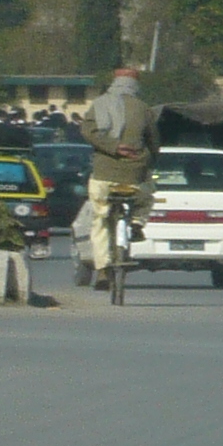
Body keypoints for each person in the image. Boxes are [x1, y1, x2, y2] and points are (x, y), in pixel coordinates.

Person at [76, 64, 159, 285]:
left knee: (100, 220)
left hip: (103, 174)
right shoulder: (143, 108)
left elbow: (87, 132)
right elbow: (153, 142)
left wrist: (113, 147)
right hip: (135, 174)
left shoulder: (99, 105)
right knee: (147, 194)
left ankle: (102, 269)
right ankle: (137, 223)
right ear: (135, 85)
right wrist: (149, 162)